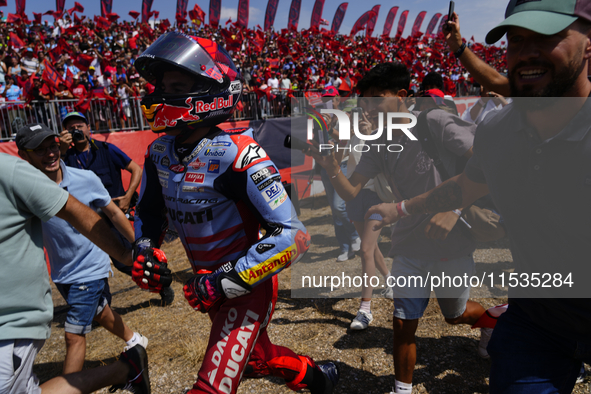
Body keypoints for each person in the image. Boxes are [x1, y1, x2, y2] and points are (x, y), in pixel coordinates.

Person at [366, 1, 591, 392]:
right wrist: (402, 208)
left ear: (589, 43)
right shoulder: (498, 131)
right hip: (536, 320)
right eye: (517, 40)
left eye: (547, 37)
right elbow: (463, 187)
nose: (527, 52)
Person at [131, 31, 339, 394]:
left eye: (174, 86)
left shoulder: (239, 154)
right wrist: (144, 249)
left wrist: (222, 282)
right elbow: (148, 213)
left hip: (245, 286)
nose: (159, 96)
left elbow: (293, 237)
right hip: (208, 286)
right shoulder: (158, 152)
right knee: (258, 359)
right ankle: (318, 377)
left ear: (206, 92)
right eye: (160, 87)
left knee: (211, 387)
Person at [310, 62, 488, 394]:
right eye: (364, 103)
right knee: (403, 323)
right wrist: (332, 167)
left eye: (377, 99)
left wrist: (455, 207)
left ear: (402, 96)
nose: (370, 109)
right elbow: (351, 192)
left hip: (451, 241)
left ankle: (493, 322)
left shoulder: (434, 121)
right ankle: (401, 390)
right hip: (407, 242)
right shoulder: (379, 143)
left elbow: (485, 162)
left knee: (455, 314)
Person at [0, 152, 149, 393]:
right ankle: (134, 343)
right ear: (26, 155)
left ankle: (120, 371)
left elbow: (111, 212)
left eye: (53, 145)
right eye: (40, 148)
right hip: (63, 272)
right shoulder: (25, 183)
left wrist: (137, 250)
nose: (49, 152)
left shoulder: (85, 178)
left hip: (90, 267)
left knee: (73, 335)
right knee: (101, 311)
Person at [57, 112, 177, 304]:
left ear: (89, 127)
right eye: (71, 128)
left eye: (79, 126)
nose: (76, 130)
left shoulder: (106, 149)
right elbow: (54, 180)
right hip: (85, 221)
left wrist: (128, 196)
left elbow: (136, 169)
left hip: (113, 216)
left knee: (126, 260)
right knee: (92, 264)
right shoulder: (64, 159)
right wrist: (62, 151)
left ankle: (159, 283)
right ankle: (100, 305)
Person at [317, 86, 361, 262]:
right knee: (335, 212)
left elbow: (347, 137)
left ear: (337, 100)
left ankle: (354, 234)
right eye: (324, 99)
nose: (327, 103)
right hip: (326, 165)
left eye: (331, 99)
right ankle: (345, 247)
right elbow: (313, 139)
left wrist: (328, 129)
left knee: (339, 206)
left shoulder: (345, 117)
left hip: (341, 164)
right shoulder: (318, 119)